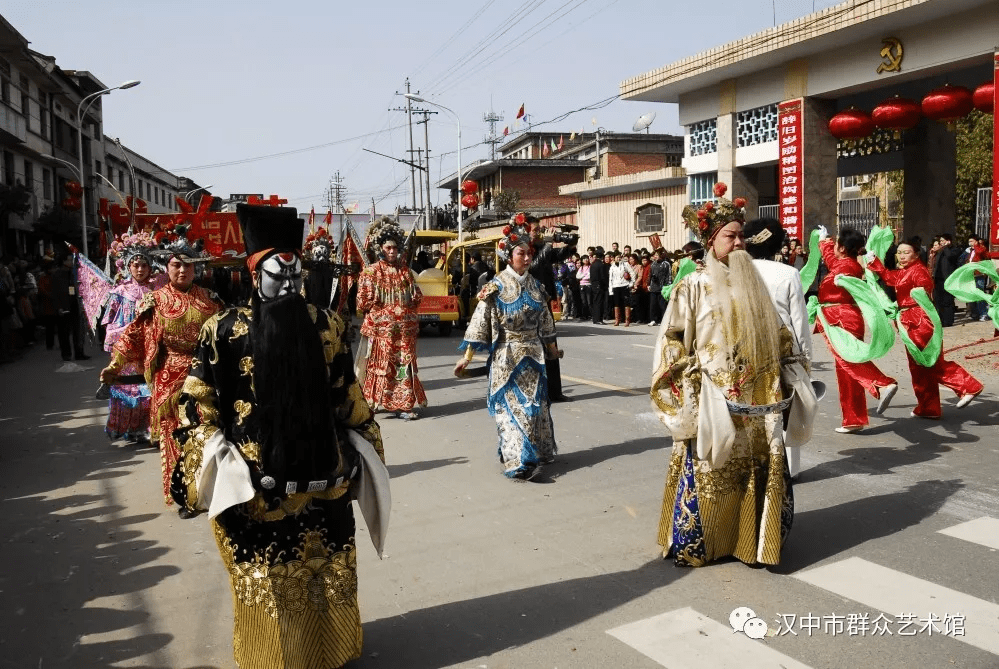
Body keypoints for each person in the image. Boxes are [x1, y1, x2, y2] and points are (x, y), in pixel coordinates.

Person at [170, 203, 386, 669]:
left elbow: (346, 393)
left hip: (324, 480)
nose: (289, 286)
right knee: (269, 581)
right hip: (256, 488)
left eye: (296, 276)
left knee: (325, 573)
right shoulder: (223, 331)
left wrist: (362, 449)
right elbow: (197, 406)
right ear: (254, 274)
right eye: (277, 276)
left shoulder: (325, 324)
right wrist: (221, 463)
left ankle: (330, 654)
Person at [651, 186, 796, 567]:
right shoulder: (692, 286)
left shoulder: (753, 284)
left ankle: (751, 542)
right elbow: (671, 343)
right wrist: (688, 383)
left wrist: (792, 371)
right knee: (712, 468)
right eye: (730, 236)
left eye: (741, 235)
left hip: (759, 396)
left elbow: (781, 336)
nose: (738, 243)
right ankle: (706, 542)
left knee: (754, 467)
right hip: (713, 397)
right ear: (710, 241)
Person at [100, 228, 223, 513]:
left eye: (187, 265)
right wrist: (114, 365)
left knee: (207, 435)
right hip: (169, 379)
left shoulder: (211, 300)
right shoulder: (156, 301)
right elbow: (132, 336)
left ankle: (209, 490)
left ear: (197, 267)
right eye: (176, 265)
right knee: (173, 439)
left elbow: (227, 336)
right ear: (166, 267)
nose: (182, 270)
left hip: (206, 376)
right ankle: (182, 495)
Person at [455, 215, 559, 480]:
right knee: (510, 410)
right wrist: (467, 358)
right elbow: (479, 323)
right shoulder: (496, 287)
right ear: (509, 256)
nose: (526, 258)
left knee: (534, 407)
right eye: (521, 253)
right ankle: (518, 460)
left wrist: (552, 349)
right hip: (506, 358)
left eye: (529, 253)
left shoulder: (537, 286)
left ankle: (530, 451)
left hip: (534, 358)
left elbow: (546, 323)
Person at [867, 242, 984, 417]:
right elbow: (892, 278)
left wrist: (876, 265)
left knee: (930, 362)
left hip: (920, 320)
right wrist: (875, 263)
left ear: (916, 254)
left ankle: (968, 386)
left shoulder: (918, 270)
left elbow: (920, 286)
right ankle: (929, 407)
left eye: (906, 252)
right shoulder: (905, 271)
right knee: (918, 367)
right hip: (908, 320)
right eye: (899, 253)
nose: (902, 256)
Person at [744, 218, 815, 478]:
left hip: (744, 354)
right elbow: (799, 322)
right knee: (785, 407)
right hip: (781, 354)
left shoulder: (732, 272)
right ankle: (790, 470)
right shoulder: (787, 274)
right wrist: (806, 360)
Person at [816, 227, 898, 433]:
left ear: (842, 248)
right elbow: (830, 258)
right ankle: (854, 419)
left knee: (849, 360)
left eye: (836, 245)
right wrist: (825, 241)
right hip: (841, 317)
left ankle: (882, 383)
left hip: (842, 318)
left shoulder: (847, 268)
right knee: (846, 369)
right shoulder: (844, 263)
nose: (833, 248)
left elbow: (834, 266)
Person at [355, 216, 427, 419]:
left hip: (404, 333)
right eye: (388, 248)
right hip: (381, 333)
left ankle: (403, 404)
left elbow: (416, 297)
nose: (392, 252)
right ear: (380, 249)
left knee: (403, 366)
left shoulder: (406, 273)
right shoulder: (371, 272)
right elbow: (362, 303)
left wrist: (409, 300)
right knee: (380, 366)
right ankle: (375, 401)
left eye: (395, 248)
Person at [99, 235, 159, 443]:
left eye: (144, 265)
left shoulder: (158, 291)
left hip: (151, 346)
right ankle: (127, 428)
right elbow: (110, 325)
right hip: (127, 347)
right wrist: (128, 331)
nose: (140, 270)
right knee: (129, 389)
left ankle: (149, 429)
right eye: (135, 265)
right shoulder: (119, 292)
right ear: (127, 267)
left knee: (150, 388)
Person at [528, 218, 577, 401]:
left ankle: (555, 392)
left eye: (540, 229)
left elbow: (560, 255)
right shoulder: (522, 250)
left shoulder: (543, 248)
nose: (540, 232)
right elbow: (533, 267)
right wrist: (548, 244)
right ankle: (535, 392)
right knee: (534, 349)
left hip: (545, 301)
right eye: (536, 229)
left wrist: (571, 243)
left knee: (551, 346)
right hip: (530, 304)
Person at [932, 233, 963, 326]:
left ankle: (948, 321)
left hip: (948, 279)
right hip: (938, 279)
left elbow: (950, 257)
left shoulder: (955, 250)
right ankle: (940, 320)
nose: (941, 243)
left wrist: (946, 247)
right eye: (940, 241)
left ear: (948, 241)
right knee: (938, 301)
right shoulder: (940, 251)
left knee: (947, 301)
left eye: (942, 241)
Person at [965, 235, 992, 321]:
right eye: (969, 242)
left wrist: (977, 246)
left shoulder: (980, 249)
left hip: (979, 274)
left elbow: (982, 253)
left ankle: (984, 313)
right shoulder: (971, 251)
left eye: (972, 241)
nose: (970, 243)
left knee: (979, 294)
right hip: (971, 275)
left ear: (976, 242)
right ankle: (975, 313)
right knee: (973, 295)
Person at [647, 247, 671, 327]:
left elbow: (669, 275)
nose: (655, 257)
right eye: (654, 255)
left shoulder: (666, 264)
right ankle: (653, 320)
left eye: (657, 255)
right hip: (653, 287)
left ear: (661, 255)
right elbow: (649, 275)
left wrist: (668, 285)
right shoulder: (653, 264)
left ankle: (663, 320)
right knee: (653, 305)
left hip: (662, 287)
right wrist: (648, 284)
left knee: (662, 305)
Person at [589, 247, 608, 324]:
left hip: (593, 284)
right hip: (600, 285)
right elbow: (603, 277)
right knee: (599, 302)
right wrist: (606, 284)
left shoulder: (593, 265)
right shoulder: (601, 265)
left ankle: (595, 319)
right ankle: (599, 319)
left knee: (595, 301)